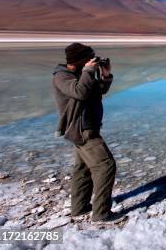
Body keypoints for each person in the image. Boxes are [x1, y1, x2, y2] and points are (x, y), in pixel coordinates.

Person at [52, 42, 124, 223]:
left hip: (89, 125)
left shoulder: (81, 74)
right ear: (78, 60)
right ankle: (101, 214)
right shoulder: (62, 76)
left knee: (83, 169)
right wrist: (89, 71)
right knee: (106, 166)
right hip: (82, 129)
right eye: (88, 58)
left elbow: (98, 91)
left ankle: (80, 207)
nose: (91, 61)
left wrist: (106, 75)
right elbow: (80, 92)